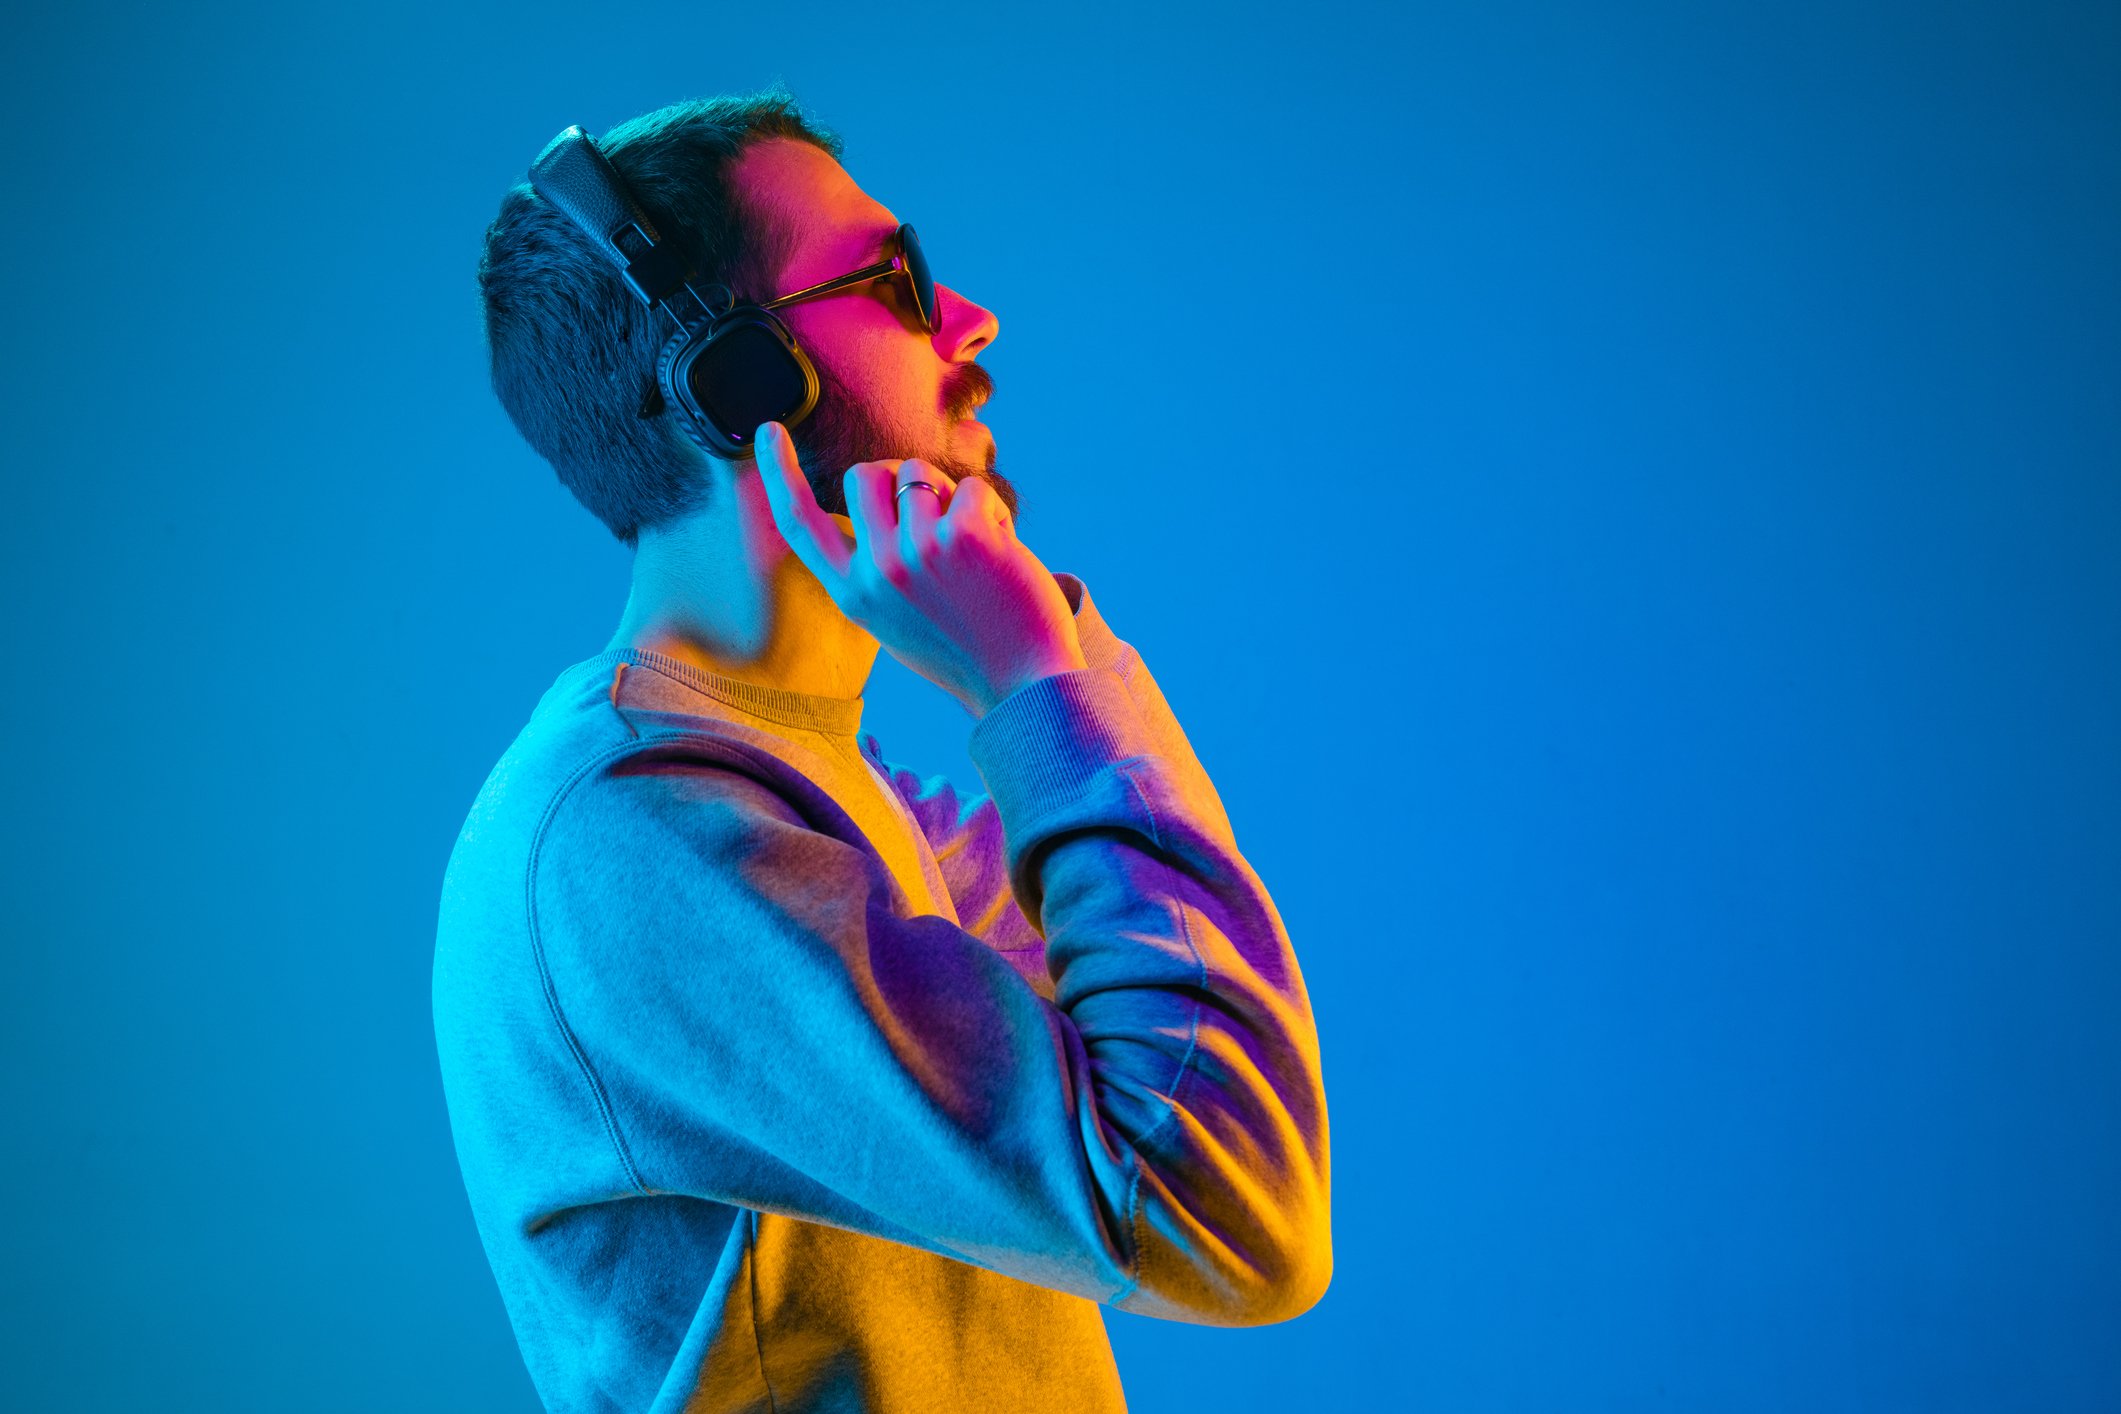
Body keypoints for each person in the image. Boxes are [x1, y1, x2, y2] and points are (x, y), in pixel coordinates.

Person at [432, 88, 1332, 1414]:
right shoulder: (624, 841)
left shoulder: (840, 804)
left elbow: (1194, 1092)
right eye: (897, 285)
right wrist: (1024, 676)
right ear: (732, 377)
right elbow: (1219, 1203)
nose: (972, 321)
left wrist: (1051, 658)